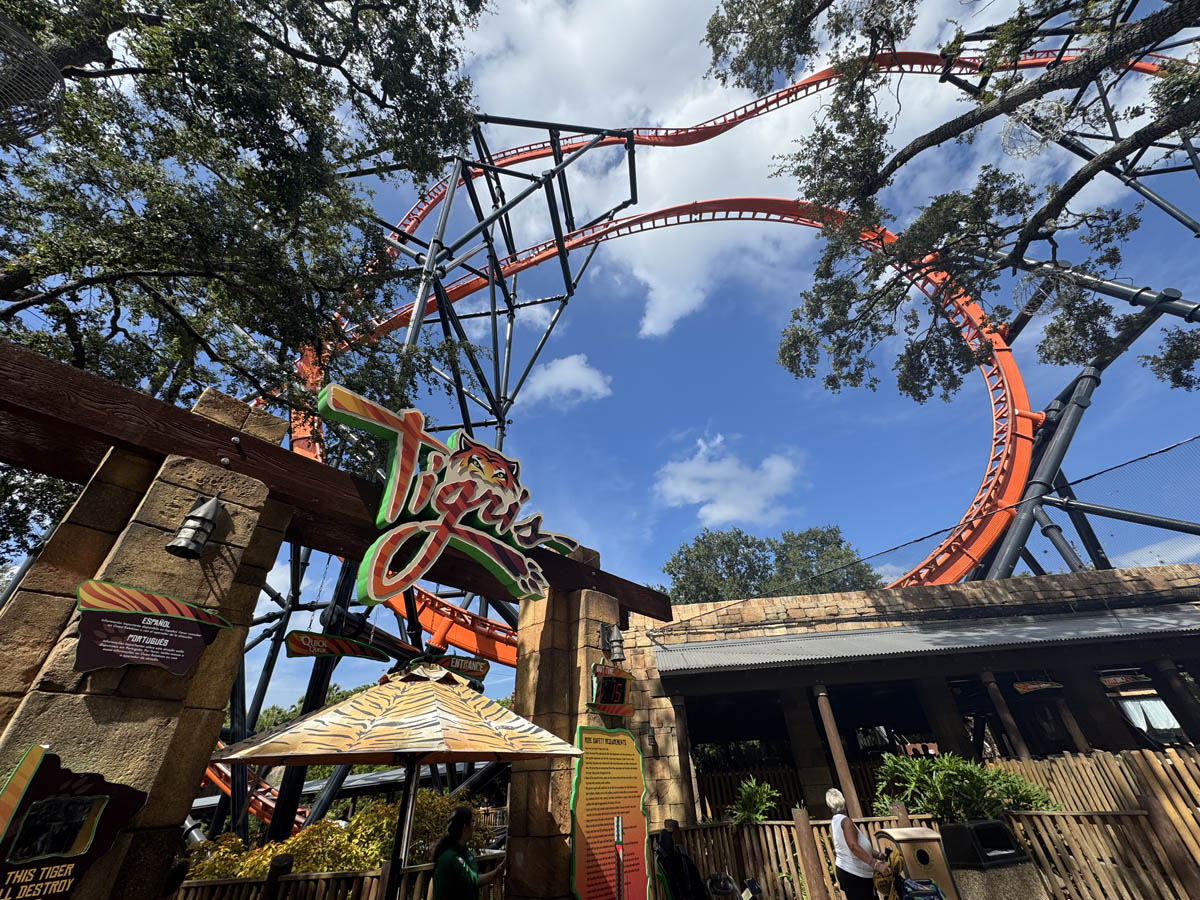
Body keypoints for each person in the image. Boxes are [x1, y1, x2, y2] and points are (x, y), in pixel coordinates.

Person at [827, 788, 890, 900]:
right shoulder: (846, 822)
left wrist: (879, 855)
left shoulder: (836, 821)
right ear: (844, 802)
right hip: (855, 874)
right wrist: (876, 865)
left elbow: (858, 846)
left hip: (851, 872)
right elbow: (853, 846)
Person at [431, 806, 505, 900]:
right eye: (472, 823)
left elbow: (474, 879)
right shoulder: (448, 858)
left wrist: (496, 873)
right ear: (465, 827)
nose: (473, 827)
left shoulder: (466, 853)